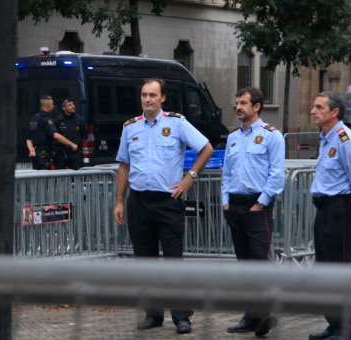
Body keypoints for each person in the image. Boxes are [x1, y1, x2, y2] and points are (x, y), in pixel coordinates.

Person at [113, 78, 213, 334]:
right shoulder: (130, 128)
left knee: (172, 261)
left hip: (168, 201)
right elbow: (124, 165)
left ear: (162, 98)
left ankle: (181, 316)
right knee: (145, 261)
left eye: (153, 95)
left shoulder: (176, 123)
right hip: (139, 202)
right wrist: (119, 201)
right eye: (144, 95)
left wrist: (190, 177)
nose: (148, 100)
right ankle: (153, 313)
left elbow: (206, 148)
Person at [222, 87, 285, 337]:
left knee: (259, 260)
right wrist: (225, 201)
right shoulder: (233, 138)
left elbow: (277, 174)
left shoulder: (271, 136)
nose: (238, 107)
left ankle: (266, 312)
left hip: (257, 206)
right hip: (235, 205)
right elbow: (227, 173)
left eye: (244, 103)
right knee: (245, 265)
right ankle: (251, 317)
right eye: (236, 103)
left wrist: (262, 202)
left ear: (257, 106)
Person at [308, 91, 351, 340]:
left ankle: (346, 329)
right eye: (314, 106)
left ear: (335, 112)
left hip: (340, 210)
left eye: (319, 107)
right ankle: (334, 324)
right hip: (324, 209)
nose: (313, 111)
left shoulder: (345, 140)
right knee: (325, 270)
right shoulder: (326, 138)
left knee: (340, 270)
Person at [26, 95, 79, 170]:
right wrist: (72, 144)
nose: (54, 106)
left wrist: (31, 150)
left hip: (36, 154)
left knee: (38, 178)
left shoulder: (34, 118)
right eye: (52, 104)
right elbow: (55, 136)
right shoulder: (46, 119)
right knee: (46, 178)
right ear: (48, 105)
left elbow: (28, 138)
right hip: (45, 154)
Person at [54, 98, 87, 170]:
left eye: (73, 104)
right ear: (63, 108)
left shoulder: (79, 119)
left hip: (76, 152)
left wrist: (80, 150)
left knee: (78, 175)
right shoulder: (58, 120)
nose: (73, 106)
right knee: (60, 175)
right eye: (69, 105)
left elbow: (84, 136)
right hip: (61, 153)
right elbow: (54, 136)